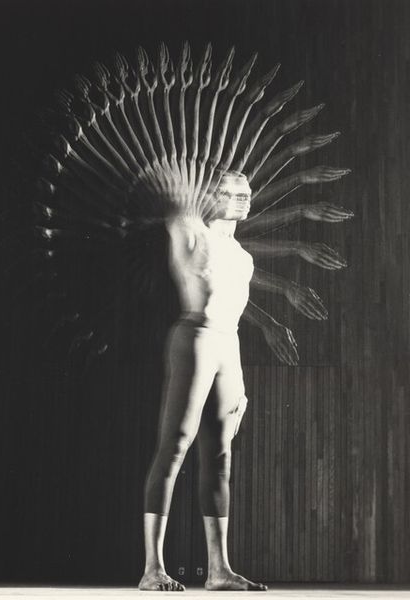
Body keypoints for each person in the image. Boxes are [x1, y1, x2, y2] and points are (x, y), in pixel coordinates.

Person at [138, 171, 268, 592]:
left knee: (220, 455)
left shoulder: (244, 258)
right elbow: (171, 196)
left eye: (246, 193)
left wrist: (239, 382)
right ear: (212, 194)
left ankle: (219, 570)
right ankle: (152, 568)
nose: (242, 199)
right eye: (231, 192)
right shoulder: (192, 232)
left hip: (227, 346)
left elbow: (234, 321)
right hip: (194, 336)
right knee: (175, 446)